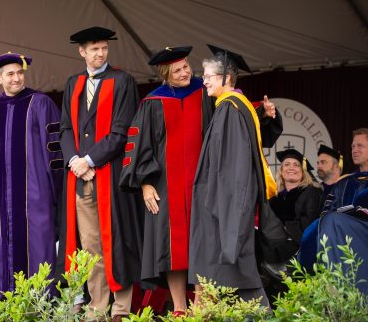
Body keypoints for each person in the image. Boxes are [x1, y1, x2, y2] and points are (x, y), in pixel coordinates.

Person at [120, 46, 282, 315]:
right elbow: (138, 145)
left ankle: (201, 306)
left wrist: (263, 113)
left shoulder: (205, 91)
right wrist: (144, 184)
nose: (185, 72)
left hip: (203, 183)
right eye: (177, 70)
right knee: (171, 248)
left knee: (203, 243)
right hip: (165, 187)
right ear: (165, 74)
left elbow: (236, 110)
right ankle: (180, 308)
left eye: (186, 66)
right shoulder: (152, 102)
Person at [56, 26, 143, 322]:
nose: (100, 53)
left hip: (111, 177)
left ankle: (120, 309)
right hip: (81, 180)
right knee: (91, 247)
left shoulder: (123, 81)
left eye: (104, 47)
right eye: (94, 48)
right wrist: (74, 161)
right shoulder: (73, 83)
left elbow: (122, 131)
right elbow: (65, 128)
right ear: (82, 51)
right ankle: (97, 308)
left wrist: (90, 160)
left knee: (117, 241)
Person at [189, 46, 279, 307]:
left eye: (208, 76)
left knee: (235, 274)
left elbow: (232, 167)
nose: (203, 80)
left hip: (222, 206)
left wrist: (223, 208)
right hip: (221, 205)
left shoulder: (230, 109)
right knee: (227, 276)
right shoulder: (230, 107)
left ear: (226, 78)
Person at [0, 52, 63, 294]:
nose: (17, 78)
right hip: (2, 197)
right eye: (10, 74)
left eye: (20, 73)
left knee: (39, 247)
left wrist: (55, 192)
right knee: (5, 249)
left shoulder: (39, 102)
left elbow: (55, 151)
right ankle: (11, 305)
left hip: (35, 192)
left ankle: (43, 306)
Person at [300, 128, 368, 294]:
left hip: (363, 234)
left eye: (360, 145)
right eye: (353, 146)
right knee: (326, 221)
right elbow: (326, 213)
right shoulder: (343, 183)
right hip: (341, 235)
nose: (355, 150)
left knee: (332, 220)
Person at [262, 150, 322, 278]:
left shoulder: (311, 192)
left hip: (295, 248)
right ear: (281, 171)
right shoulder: (274, 199)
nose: (291, 168)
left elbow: (309, 226)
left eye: (296, 165)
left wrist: (283, 229)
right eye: (287, 164)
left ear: (303, 171)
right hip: (272, 244)